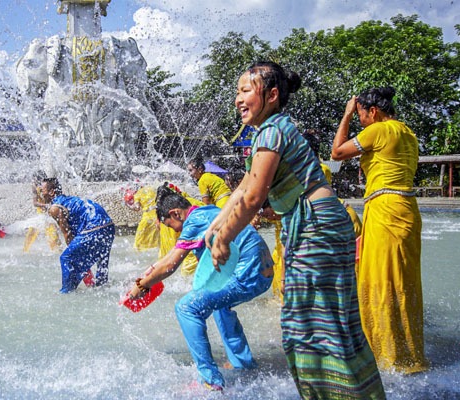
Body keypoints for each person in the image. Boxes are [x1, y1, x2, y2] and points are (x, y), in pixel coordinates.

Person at [208, 61, 385, 398]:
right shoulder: (272, 129)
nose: (238, 99)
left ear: (272, 95)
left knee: (311, 325)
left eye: (245, 91)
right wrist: (218, 222)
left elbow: (255, 197)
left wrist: (224, 239)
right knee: (328, 323)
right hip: (319, 224)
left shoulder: (271, 131)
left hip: (316, 227)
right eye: (237, 92)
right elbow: (246, 185)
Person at [128, 183, 273, 391]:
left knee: (186, 308)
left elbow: (170, 265)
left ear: (175, 213)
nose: (175, 231)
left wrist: (141, 286)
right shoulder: (208, 211)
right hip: (263, 271)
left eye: (171, 225)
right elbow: (169, 258)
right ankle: (243, 364)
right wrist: (147, 275)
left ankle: (210, 380)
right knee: (220, 306)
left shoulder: (193, 222)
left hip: (248, 273)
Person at [331, 87, 428, 373]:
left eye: (361, 114)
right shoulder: (408, 133)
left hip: (385, 209)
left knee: (381, 280)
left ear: (373, 111)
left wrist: (346, 115)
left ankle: (387, 356)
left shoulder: (379, 129)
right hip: (406, 209)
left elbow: (337, 153)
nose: (360, 120)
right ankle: (409, 352)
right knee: (403, 281)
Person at [39, 177, 114, 293]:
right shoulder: (69, 200)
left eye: (42, 190)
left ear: (52, 192)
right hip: (109, 225)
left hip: (95, 226)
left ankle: (66, 293)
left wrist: (75, 256)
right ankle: (102, 286)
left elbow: (67, 235)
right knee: (101, 259)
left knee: (66, 258)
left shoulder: (55, 208)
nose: (41, 194)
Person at [23, 171, 61, 253]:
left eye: (38, 180)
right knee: (31, 232)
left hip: (50, 216)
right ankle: (25, 252)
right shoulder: (34, 187)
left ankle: (57, 252)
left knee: (53, 235)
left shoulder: (49, 186)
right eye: (35, 180)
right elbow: (35, 203)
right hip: (41, 215)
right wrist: (46, 205)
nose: (35, 182)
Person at [125, 183, 160, 252]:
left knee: (138, 242)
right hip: (158, 217)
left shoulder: (138, 194)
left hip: (146, 219)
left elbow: (137, 208)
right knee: (155, 240)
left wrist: (127, 205)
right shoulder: (152, 189)